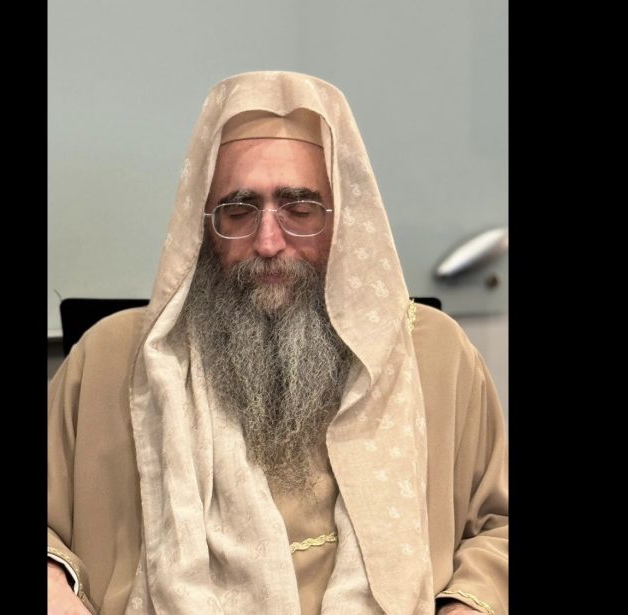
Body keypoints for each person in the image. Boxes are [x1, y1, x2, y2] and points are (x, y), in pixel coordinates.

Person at [47, 71, 508, 615]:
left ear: (345, 221)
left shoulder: (435, 355)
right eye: (238, 211)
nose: (268, 242)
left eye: (300, 210)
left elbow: (497, 527)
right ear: (203, 227)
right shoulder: (110, 359)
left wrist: (467, 606)